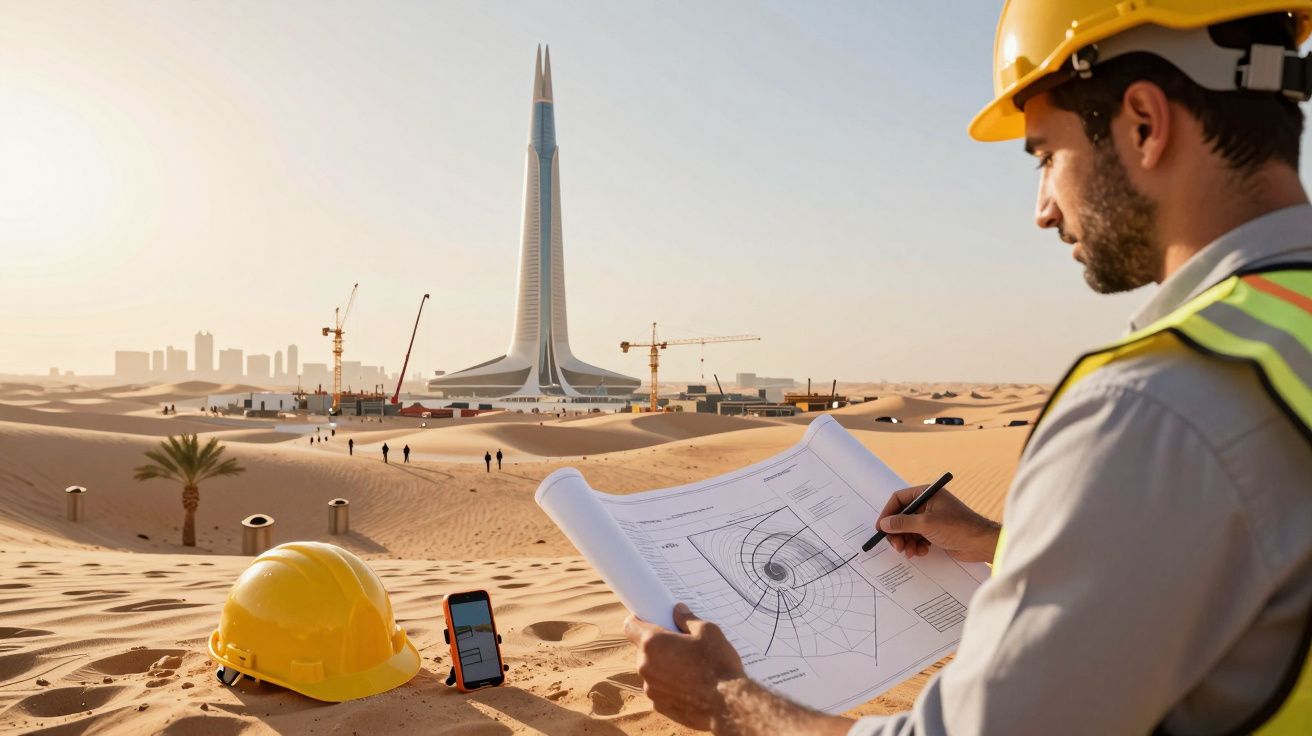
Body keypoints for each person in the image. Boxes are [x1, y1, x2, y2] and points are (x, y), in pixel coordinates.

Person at [624, 4, 1312, 734]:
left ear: (1143, 122)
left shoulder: (1153, 407)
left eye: (1046, 156)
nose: (1043, 210)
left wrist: (727, 699)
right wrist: (997, 542)